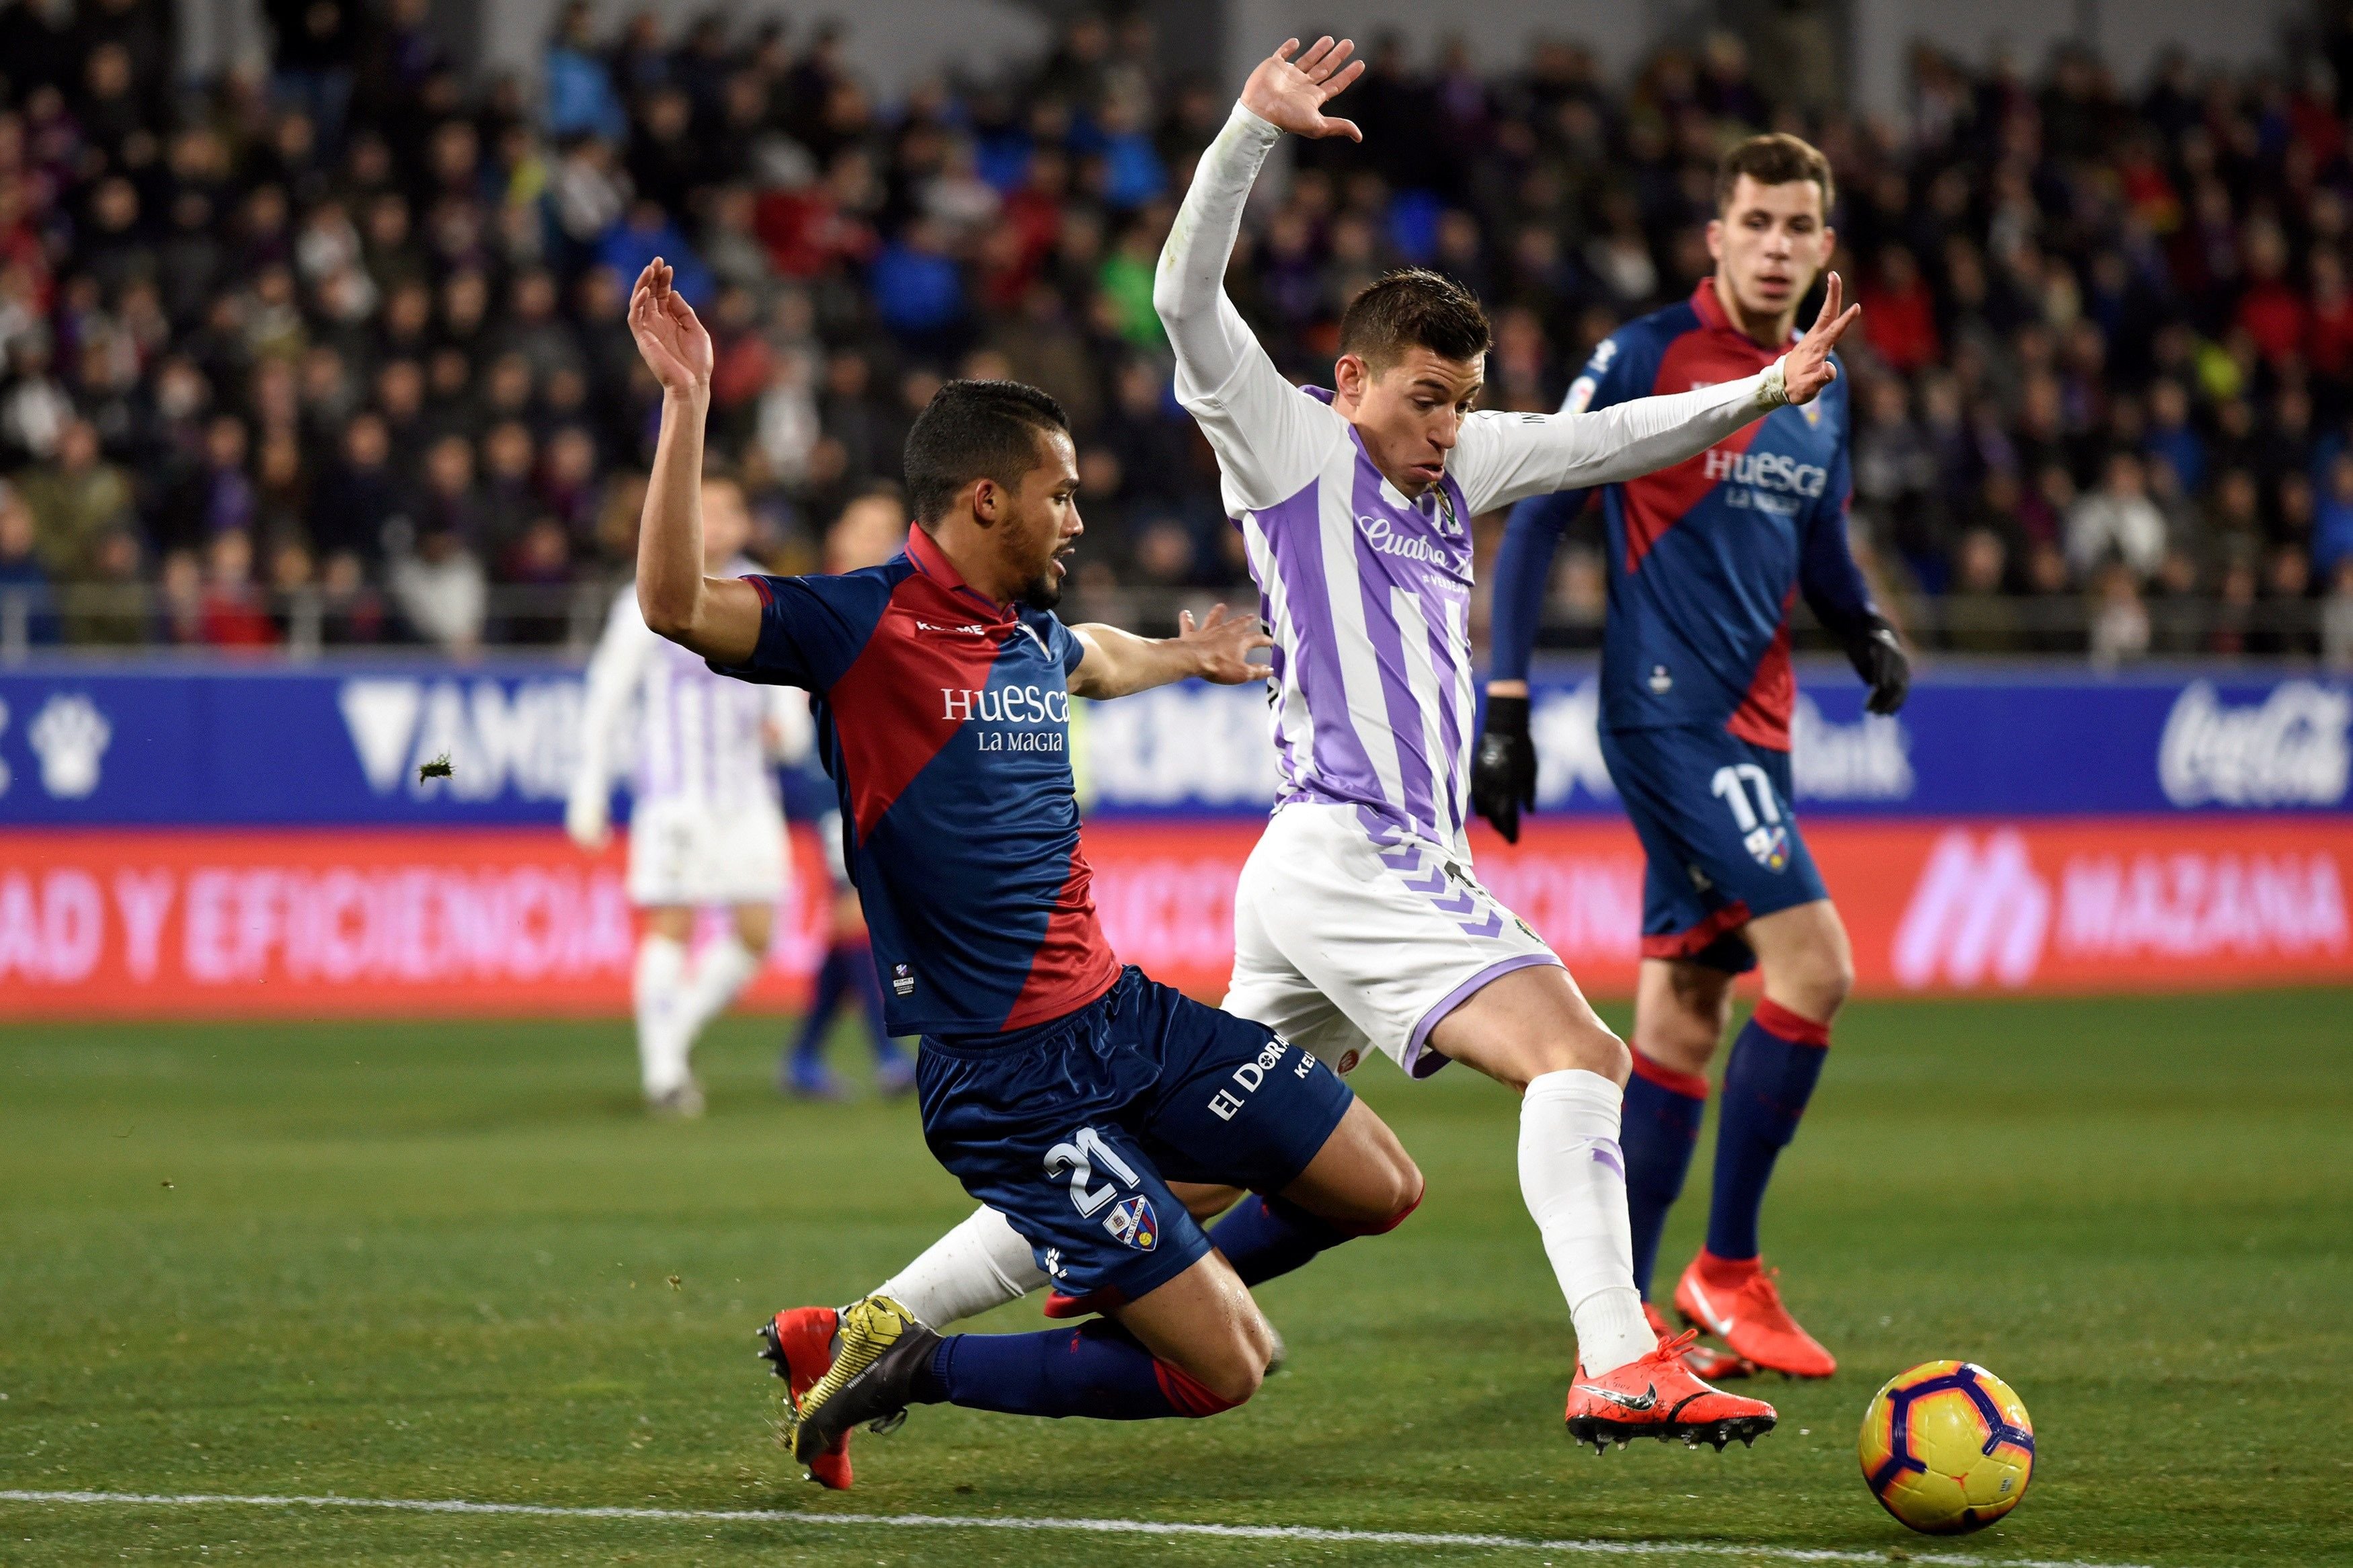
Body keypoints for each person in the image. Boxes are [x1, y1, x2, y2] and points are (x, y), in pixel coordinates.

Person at [771, 37, 1856, 1467]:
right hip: (1353, 847)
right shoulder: (1287, 445)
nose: (1446, 426)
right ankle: (1622, 1356)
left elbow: (1604, 443)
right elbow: (1179, 296)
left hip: (1325, 874)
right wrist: (1247, 129)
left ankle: (865, 1324)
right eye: (1422, 396)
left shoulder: (1457, 465)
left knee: (1188, 1174)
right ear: (1349, 379)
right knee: (1578, 1055)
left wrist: (1758, 393)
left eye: (1463, 399)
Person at [621, 257, 1425, 1485]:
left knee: (1378, 1183)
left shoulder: (1027, 634)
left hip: (1127, 1017)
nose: (1079, 518)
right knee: (1231, 1367)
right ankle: (903, 1359)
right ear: (987, 498)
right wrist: (688, 405)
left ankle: (1136, 1272)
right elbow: (675, 603)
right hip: (1009, 1079)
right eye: (1062, 495)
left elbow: (1089, 656)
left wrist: (1182, 653)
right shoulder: (857, 627)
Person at [1475, 132, 1909, 1382]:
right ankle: (1725, 1270)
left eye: (1799, 227)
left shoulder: (1818, 382)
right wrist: (1505, 694)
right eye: (1756, 222)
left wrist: (1865, 619)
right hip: (1669, 714)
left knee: (1680, 1015)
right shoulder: (1647, 354)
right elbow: (1547, 500)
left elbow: (1820, 541)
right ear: (1716, 235)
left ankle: (1628, 1324)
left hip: (1757, 729)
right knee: (1814, 966)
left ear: (1826, 246)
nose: (1777, 245)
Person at [567, 467, 809, 1116]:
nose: (721, 524)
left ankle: (673, 1033)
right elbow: (607, 694)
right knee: (673, 922)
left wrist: (786, 728)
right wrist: (588, 788)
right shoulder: (649, 591)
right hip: (675, 795)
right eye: (708, 511)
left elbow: (792, 688)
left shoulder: (768, 591)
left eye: (730, 511)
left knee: (759, 930)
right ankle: (665, 1073)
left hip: (746, 796)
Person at [779, 488, 918, 1100]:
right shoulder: (813, 597)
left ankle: (804, 1055)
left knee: (853, 914)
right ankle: (886, 1054)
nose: (878, 539)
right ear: (839, 535)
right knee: (855, 904)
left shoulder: (897, 602)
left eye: (889, 528)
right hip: (823, 770)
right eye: (865, 526)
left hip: (873, 772)